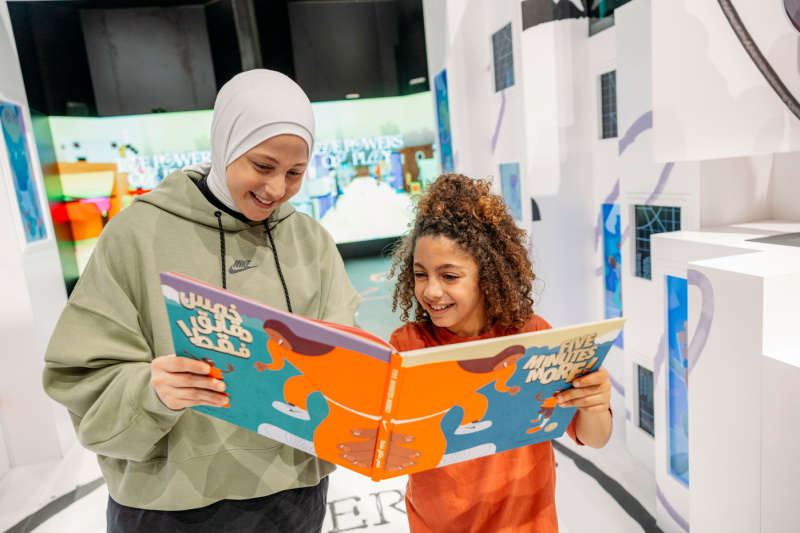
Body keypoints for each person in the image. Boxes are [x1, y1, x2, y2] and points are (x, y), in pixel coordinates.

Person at [42, 70, 361, 532]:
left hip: (294, 494)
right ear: (225, 145)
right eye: (263, 165)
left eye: (295, 173)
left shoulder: (310, 240)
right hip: (170, 502)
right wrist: (150, 389)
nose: (277, 188)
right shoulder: (136, 236)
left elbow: (344, 356)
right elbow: (81, 377)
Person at [388, 173, 613, 533]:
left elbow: (595, 437)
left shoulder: (533, 336)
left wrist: (595, 403)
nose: (430, 291)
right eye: (420, 274)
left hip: (525, 522)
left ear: (488, 274)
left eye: (449, 276)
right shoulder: (407, 345)